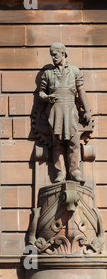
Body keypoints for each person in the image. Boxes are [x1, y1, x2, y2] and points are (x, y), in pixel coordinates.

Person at [39, 43, 91, 183]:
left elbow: (81, 91)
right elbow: (41, 93)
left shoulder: (74, 71)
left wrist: (87, 111)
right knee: (57, 143)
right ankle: (60, 173)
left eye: (55, 54)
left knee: (73, 142)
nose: (53, 57)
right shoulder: (48, 73)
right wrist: (46, 97)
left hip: (70, 109)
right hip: (55, 110)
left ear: (63, 53)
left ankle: (75, 172)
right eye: (51, 55)